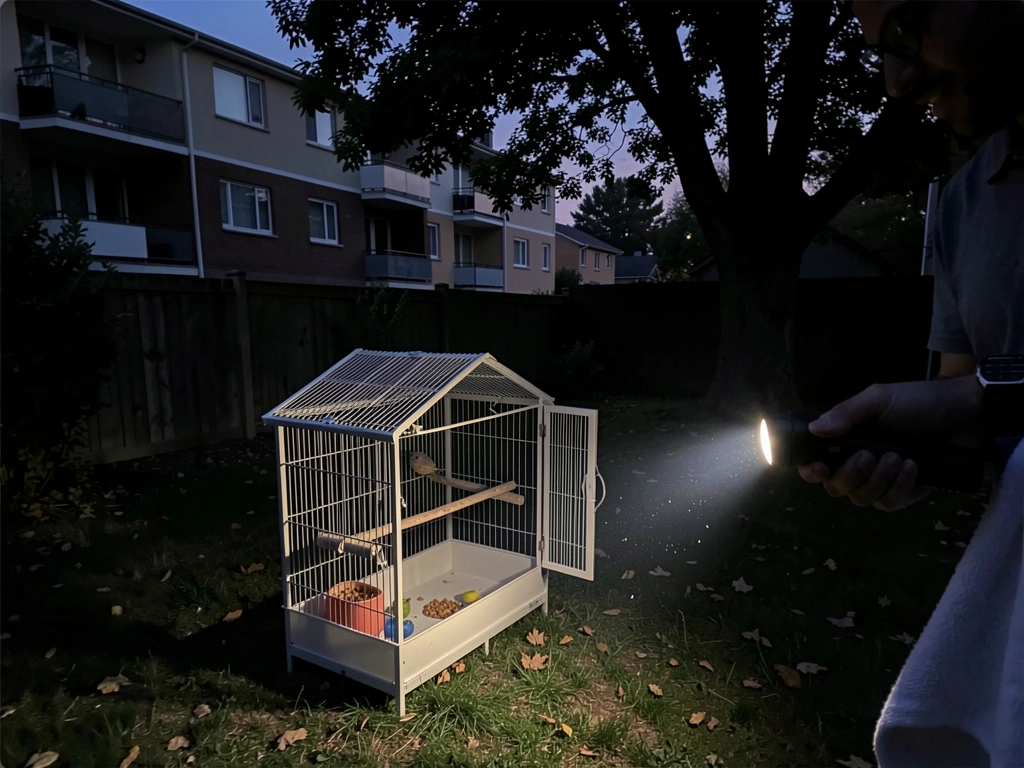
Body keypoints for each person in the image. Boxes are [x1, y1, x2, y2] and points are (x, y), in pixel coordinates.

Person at [799, 0, 1024, 510]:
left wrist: (983, 400)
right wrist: (929, 450)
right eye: (881, 51)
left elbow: (978, 398)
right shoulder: (963, 203)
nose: (894, 82)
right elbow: (964, 400)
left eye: (904, 30)